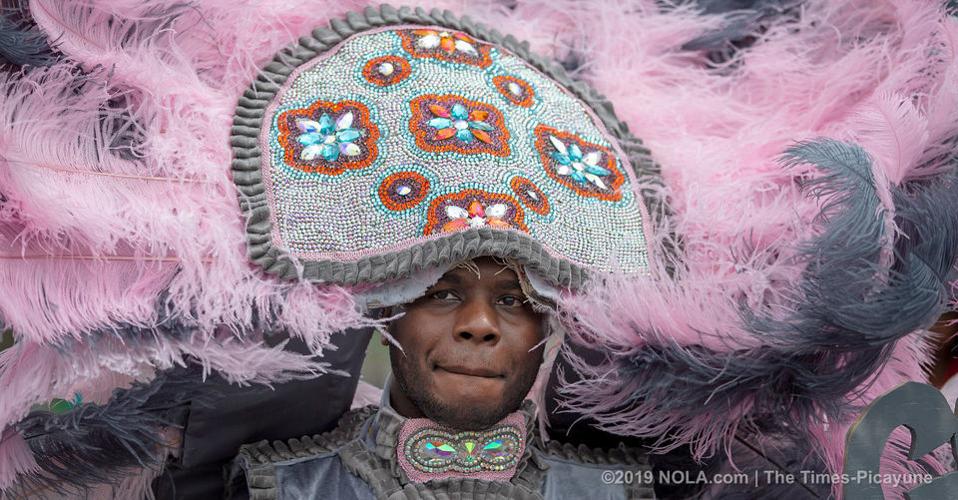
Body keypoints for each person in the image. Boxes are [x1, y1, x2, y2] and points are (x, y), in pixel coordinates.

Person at [227, 257, 655, 499]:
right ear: (385, 317)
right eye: (442, 293)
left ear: (547, 330)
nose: (480, 323)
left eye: (511, 299)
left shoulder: (619, 490)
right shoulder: (286, 488)